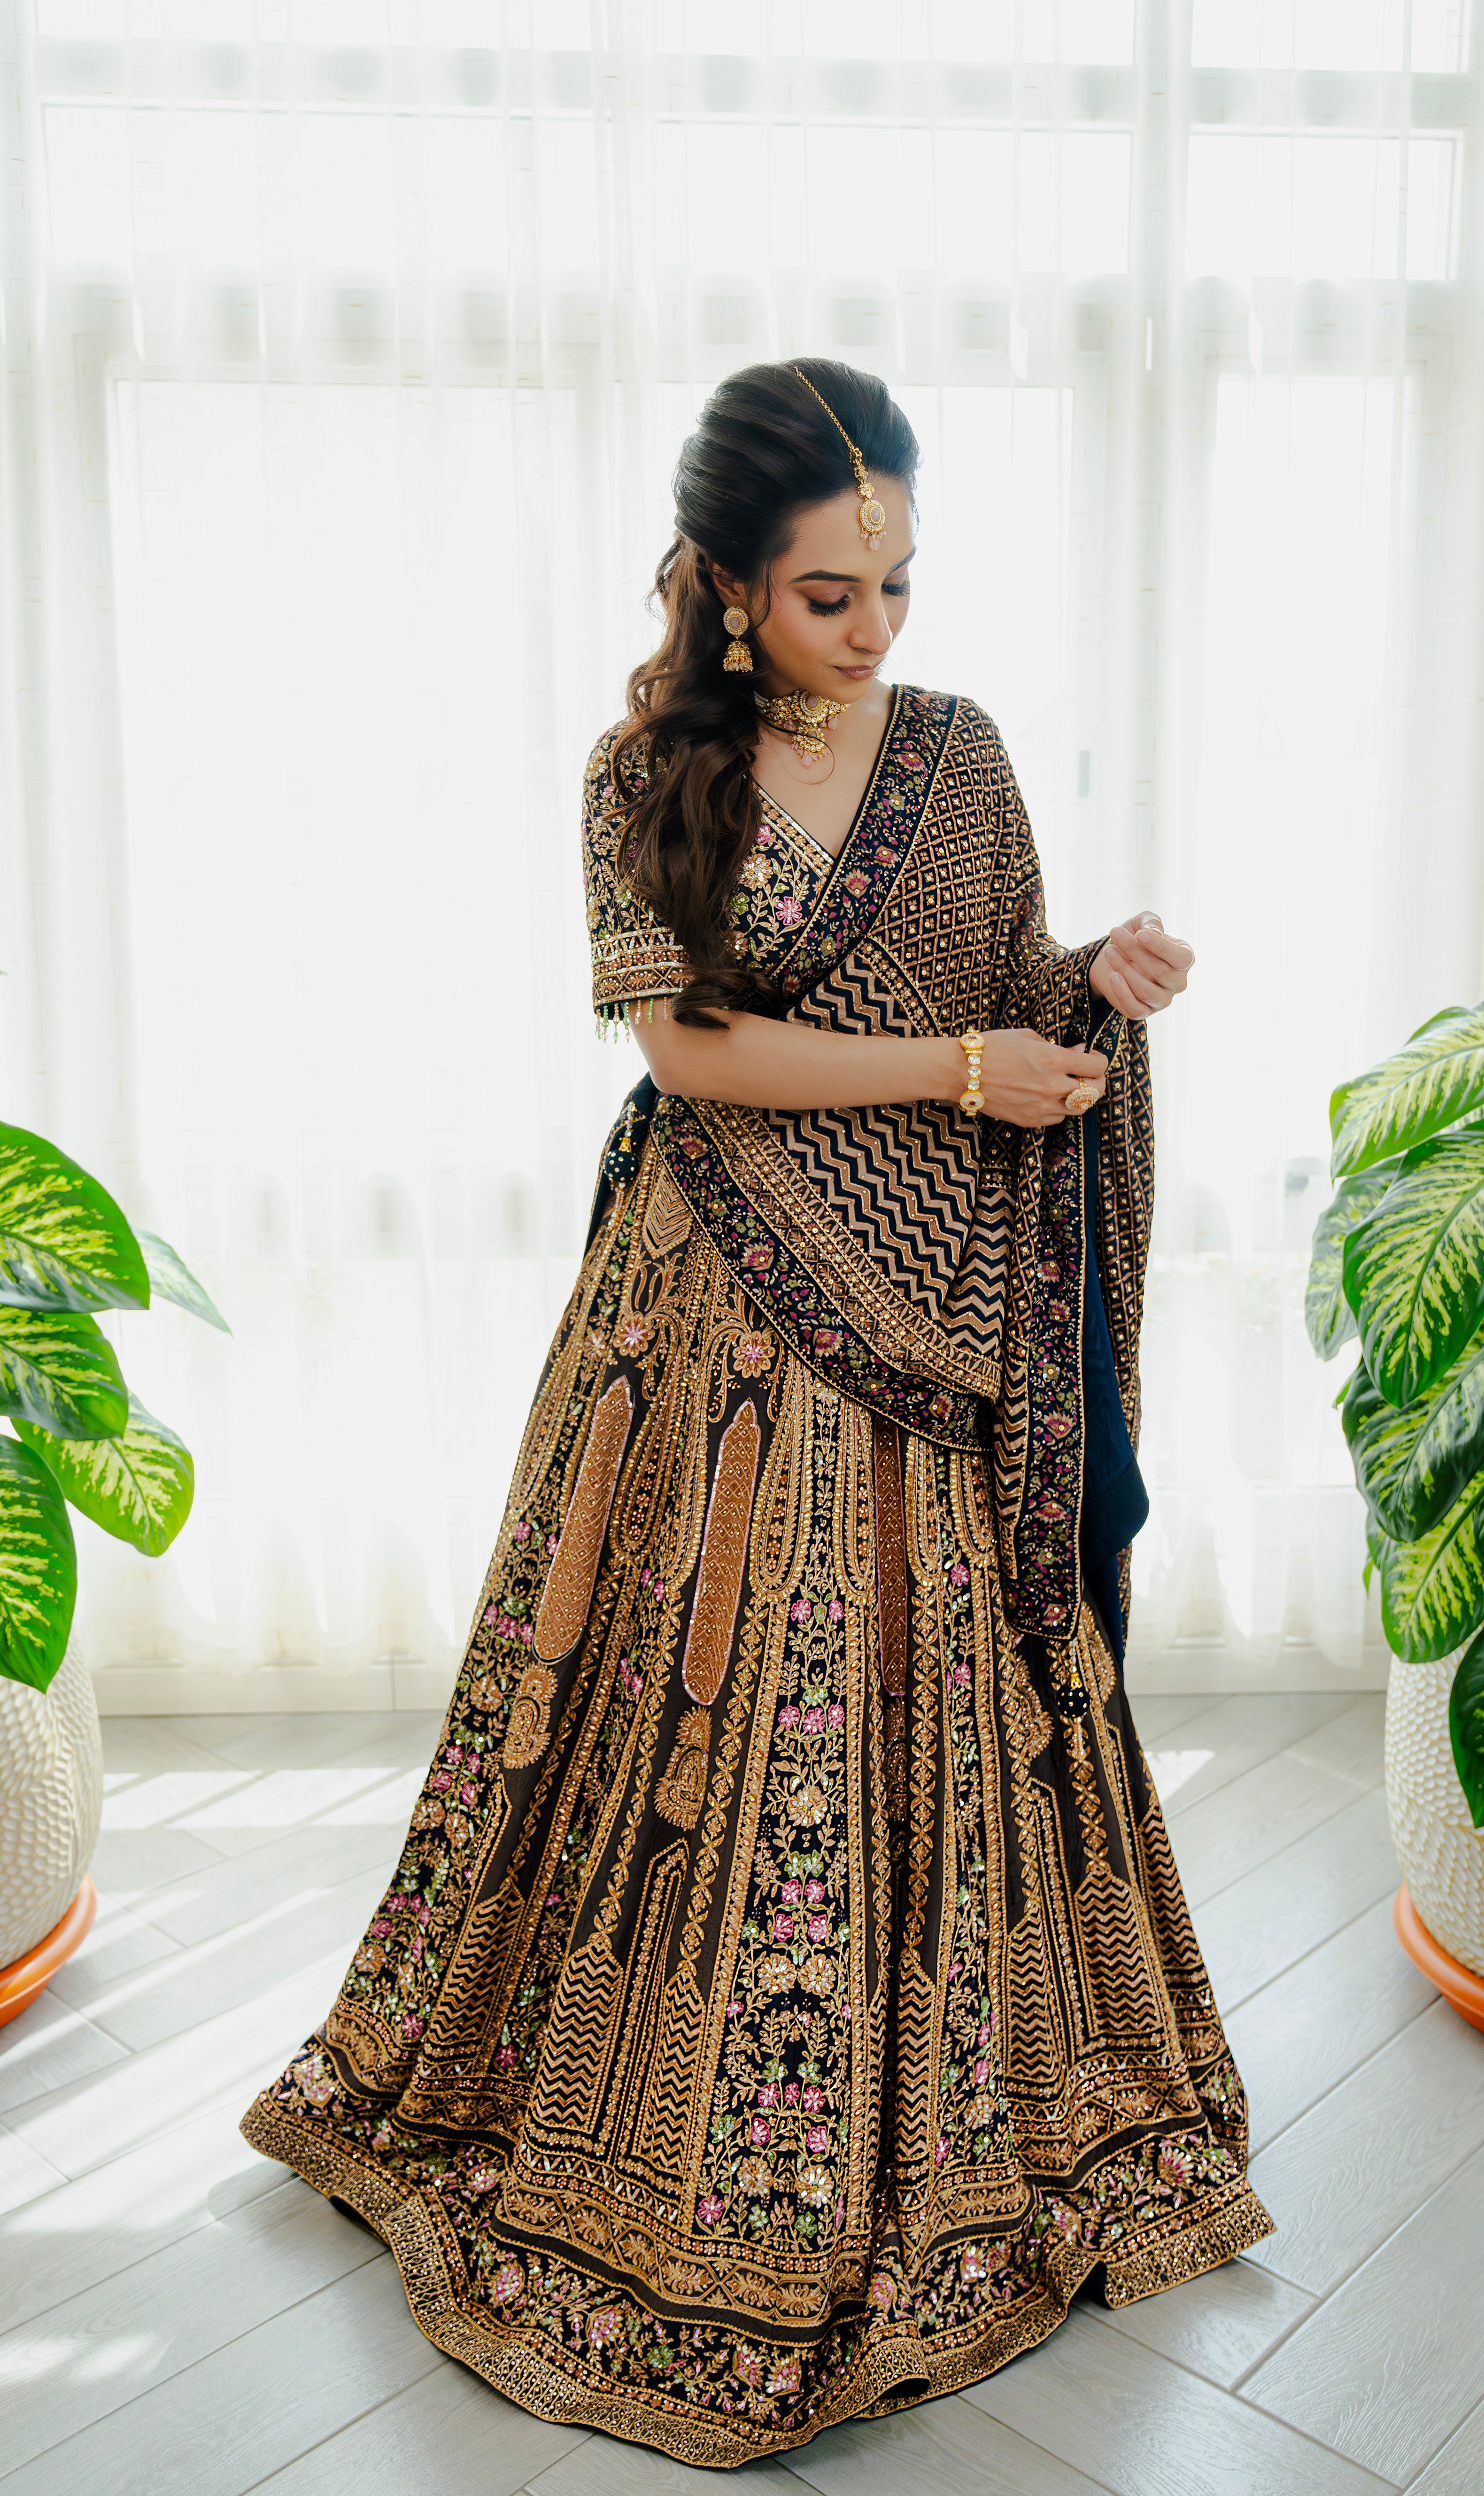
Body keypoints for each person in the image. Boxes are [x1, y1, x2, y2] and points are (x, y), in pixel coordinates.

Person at [241, 357, 1271, 2466]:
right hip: (711, 1309)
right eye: (826, 594)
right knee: (695, 1687)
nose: (873, 629)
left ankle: (980, 2130)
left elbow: (997, 978)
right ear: (728, 585)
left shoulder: (961, 753)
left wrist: (1091, 981)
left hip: (932, 1298)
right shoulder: (645, 773)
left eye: (897, 583)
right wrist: (963, 1068)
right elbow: (690, 1051)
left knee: (933, 1687)